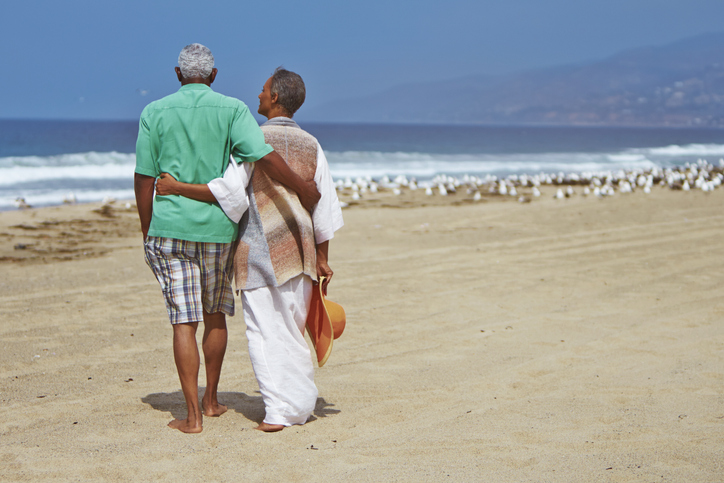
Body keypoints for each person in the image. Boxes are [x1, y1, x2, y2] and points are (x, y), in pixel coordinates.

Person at [134, 45, 320, 434]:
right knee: (215, 313)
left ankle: (193, 416)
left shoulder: (154, 112)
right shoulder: (233, 110)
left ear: (177, 73)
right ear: (214, 75)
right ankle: (212, 399)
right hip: (218, 233)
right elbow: (264, 155)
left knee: (182, 321)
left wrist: (147, 226)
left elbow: (144, 176)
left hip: (170, 230)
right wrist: (302, 187)